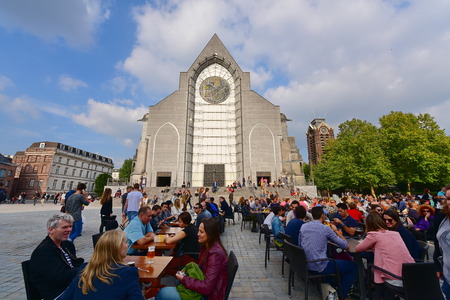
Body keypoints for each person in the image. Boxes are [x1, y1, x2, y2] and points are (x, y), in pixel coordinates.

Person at [156, 218, 228, 300]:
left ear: (210, 234)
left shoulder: (215, 254)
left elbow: (207, 287)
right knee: (175, 283)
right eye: (198, 231)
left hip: (209, 296)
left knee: (162, 293)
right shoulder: (208, 247)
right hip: (205, 290)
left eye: (201, 232)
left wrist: (185, 279)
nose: (198, 234)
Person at [60, 230, 144, 300]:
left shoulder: (85, 269)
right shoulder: (128, 273)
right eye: (126, 242)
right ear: (117, 247)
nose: (128, 245)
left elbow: (65, 297)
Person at [299, 206, 356, 299]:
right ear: (322, 216)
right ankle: (341, 295)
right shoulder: (325, 229)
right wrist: (336, 231)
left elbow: (300, 244)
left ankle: (334, 285)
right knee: (353, 267)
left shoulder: (304, 226)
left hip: (306, 263)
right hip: (319, 265)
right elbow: (345, 245)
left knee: (332, 257)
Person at [355, 214, 415, 300]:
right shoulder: (395, 233)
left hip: (395, 277)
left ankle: (379, 294)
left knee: (372, 268)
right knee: (375, 265)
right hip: (411, 272)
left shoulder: (373, 235)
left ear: (368, 225)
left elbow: (358, 248)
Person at [30, 213, 84, 300]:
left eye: (70, 226)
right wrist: (85, 269)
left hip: (70, 285)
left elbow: (75, 263)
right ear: (51, 230)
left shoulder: (66, 245)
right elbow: (61, 277)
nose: (69, 229)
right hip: (57, 293)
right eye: (64, 227)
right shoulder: (44, 251)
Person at [436, 186, 450, 299]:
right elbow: (438, 241)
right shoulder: (444, 217)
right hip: (447, 277)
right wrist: (438, 266)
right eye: (449, 198)